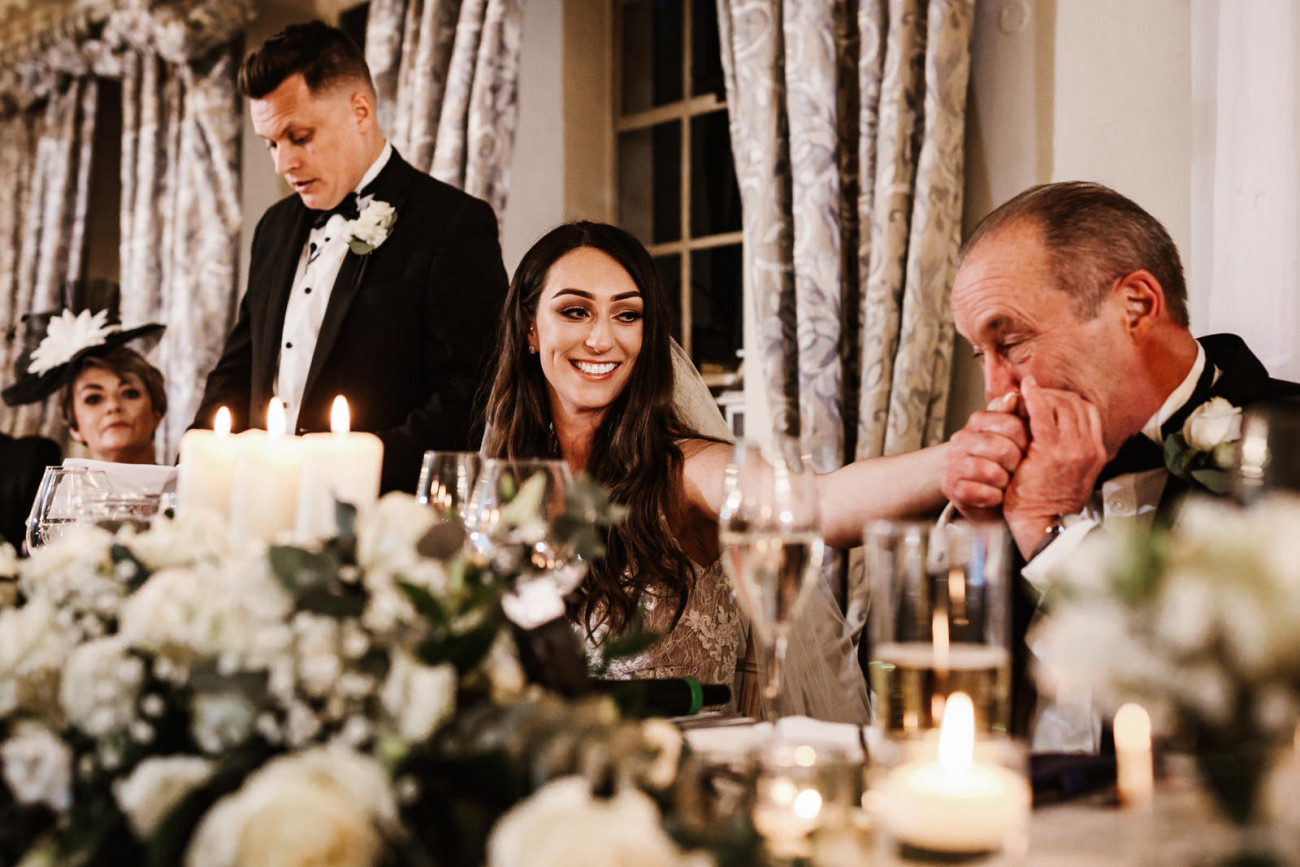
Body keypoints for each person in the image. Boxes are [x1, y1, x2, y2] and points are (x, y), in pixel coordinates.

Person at [483, 221, 948, 720]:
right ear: (530, 327)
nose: (601, 339)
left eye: (627, 315)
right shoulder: (501, 489)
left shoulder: (689, 471)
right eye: (575, 312)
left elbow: (820, 505)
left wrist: (958, 460)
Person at [941, 181, 1300, 745]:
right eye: (980, 355)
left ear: (1136, 306)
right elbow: (929, 706)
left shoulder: (1285, 445)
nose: (994, 389)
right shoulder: (1017, 464)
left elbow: (1224, 714)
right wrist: (979, 538)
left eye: (1010, 342)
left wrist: (1051, 531)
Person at [193, 21, 508, 493]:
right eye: (271, 145)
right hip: (261, 505)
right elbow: (237, 370)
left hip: (382, 517)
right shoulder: (273, 228)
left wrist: (345, 473)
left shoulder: (453, 223)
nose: (283, 164)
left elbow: (472, 394)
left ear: (361, 110)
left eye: (299, 137)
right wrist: (197, 470)